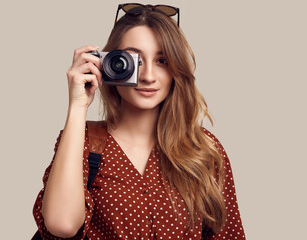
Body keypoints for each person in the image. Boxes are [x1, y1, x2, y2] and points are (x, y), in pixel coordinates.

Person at [33, 3, 245, 240]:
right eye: (135, 61)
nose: (148, 77)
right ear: (110, 64)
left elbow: (227, 235)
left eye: (162, 61)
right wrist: (77, 105)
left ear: (177, 68)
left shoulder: (203, 150)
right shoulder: (82, 142)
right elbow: (61, 226)